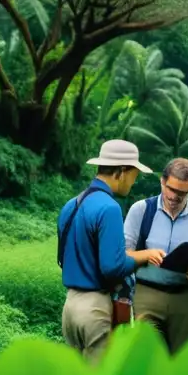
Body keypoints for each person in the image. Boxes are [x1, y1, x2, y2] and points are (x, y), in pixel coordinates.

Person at [57, 140, 165, 362]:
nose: (133, 183)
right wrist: (143, 256)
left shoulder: (71, 204)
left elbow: (64, 257)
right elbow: (112, 268)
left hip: (70, 307)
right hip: (94, 308)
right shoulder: (109, 207)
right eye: (134, 176)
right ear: (121, 172)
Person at [123, 158, 188, 354]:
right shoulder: (142, 210)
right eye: (172, 189)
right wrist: (147, 254)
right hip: (146, 293)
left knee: (185, 357)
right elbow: (124, 253)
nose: (175, 197)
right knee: (148, 354)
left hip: (184, 295)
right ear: (162, 181)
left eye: (183, 193)